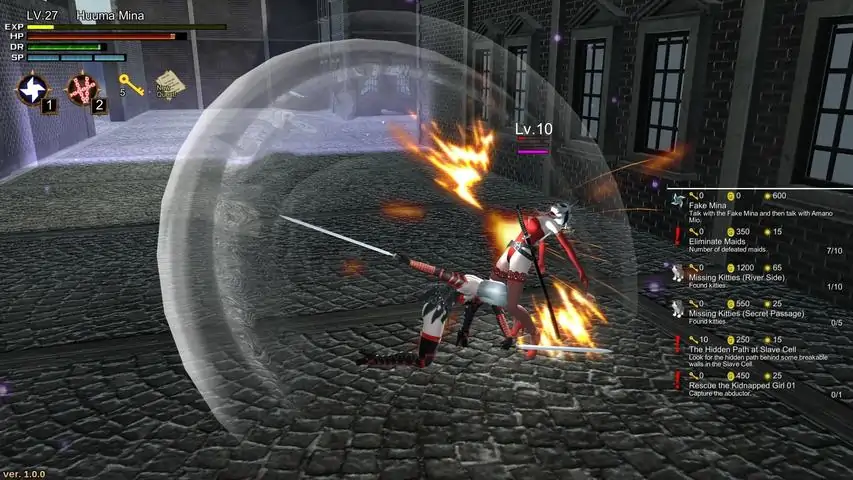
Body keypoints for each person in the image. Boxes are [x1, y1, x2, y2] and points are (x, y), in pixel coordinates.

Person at [460, 202, 588, 359]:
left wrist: (581, 270)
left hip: (522, 257)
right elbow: (542, 240)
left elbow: (567, 248)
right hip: (511, 249)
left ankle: (534, 334)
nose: (551, 212)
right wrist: (541, 261)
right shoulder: (545, 219)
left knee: (511, 305)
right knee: (488, 289)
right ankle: (509, 325)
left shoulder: (552, 224)